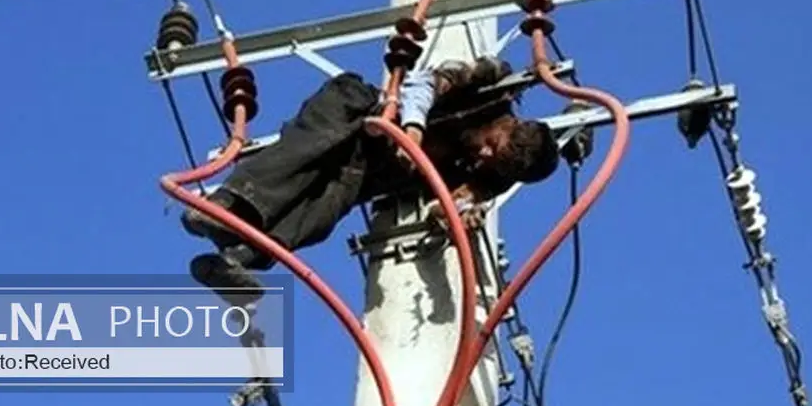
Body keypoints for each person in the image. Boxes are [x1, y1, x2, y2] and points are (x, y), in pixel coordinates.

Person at [181, 55, 561, 302]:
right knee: (305, 156)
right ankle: (222, 208)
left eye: (495, 163)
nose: (484, 157)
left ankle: (234, 261)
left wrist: (457, 215)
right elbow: (425, 82)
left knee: (318, 214)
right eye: (492, 146)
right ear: (508, 124)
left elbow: (450, 203)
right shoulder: (491, 88)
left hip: (368, 170)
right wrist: (411, 129)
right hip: (359, 111)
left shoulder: (495, 177)